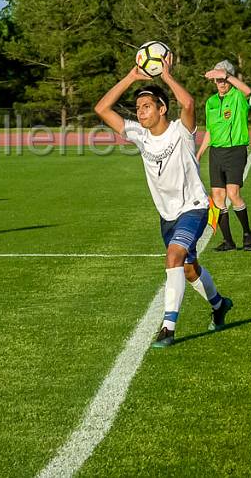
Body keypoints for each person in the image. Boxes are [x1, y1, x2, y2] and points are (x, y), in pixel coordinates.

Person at [95, 55, 232, 348]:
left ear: (162, 108)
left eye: (146, 107)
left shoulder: (181, 131)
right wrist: (132, 77)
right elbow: (102, 108)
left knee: (173, 256)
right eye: (138, 108)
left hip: (194, 207)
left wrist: (166, 77)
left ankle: (168, 327)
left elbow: (190, 105)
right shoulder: (140, 135)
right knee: (188, 268)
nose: (140, 112)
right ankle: (219, 305)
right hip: (167, 215)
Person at [195, 60, 251, 252]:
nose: (221, 84)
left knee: (233, 193)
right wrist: (198, 155)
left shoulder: (238, 97)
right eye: (218, 80)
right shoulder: (211, 102)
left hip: (235, 151)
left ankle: (248, 233)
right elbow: (210, 131)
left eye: (224, 80)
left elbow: (248, 91)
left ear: (230, 79)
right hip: (216, 153)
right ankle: (228, 241)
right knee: (218, 197)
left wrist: (226, 74)